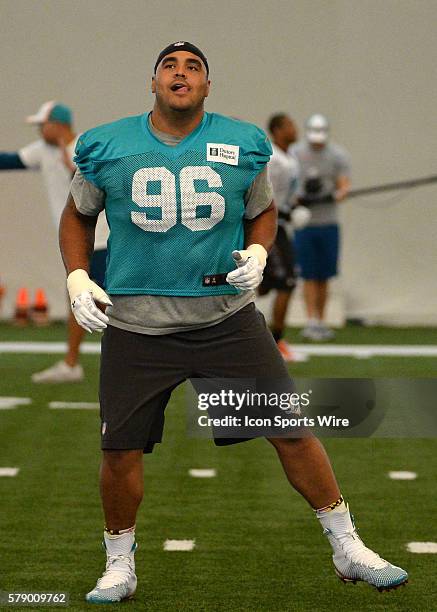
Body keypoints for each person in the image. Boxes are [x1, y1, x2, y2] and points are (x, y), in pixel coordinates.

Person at [59, 42, 407, 603]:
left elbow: (261, 208)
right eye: (170, 66)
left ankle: (348, 546)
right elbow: (77, 214)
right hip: (138, 325)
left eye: (193, 67)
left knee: (291, 429)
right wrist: (77, 275)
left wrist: (259, 252)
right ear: (153, 82)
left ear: (206, 86)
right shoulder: (110, 144)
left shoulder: (241, 143)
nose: (181, 73)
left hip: (224, 319)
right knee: (120, 449)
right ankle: (119, 562)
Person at [0, 101, 108, 382]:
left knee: (103, 300)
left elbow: (98, 188)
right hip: (78, 239)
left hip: (102, 236)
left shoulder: (85, 146)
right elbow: (9, 160)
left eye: (42, 124)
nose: (38, 130)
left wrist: (72, 168)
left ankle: (113, 360)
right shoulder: (42, 151)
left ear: (58, 125)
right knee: (80, 296)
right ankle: (72, 364)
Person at [290, 114, 351, 341]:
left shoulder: (337, 155)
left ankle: (321, 319)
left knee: (324, 275)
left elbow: (344, 186)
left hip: (328, 222)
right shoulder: (296, 153)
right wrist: (298, 198)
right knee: (308, 274)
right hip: (305, 223)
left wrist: (333, 195)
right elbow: (288, 183)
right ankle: (311, 320)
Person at [260, 113, 305, 362]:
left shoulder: (291, 157)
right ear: (277, 130)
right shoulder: (274, 159)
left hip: (282, 225)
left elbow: (288, 195)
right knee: (285, 282)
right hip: (271, 226)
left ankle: (272, 339)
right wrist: (286, 210)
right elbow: (265, 193)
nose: (294, 128)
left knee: (269, 285)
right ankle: (275, 341)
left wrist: (298, 205)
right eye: (289, 125)